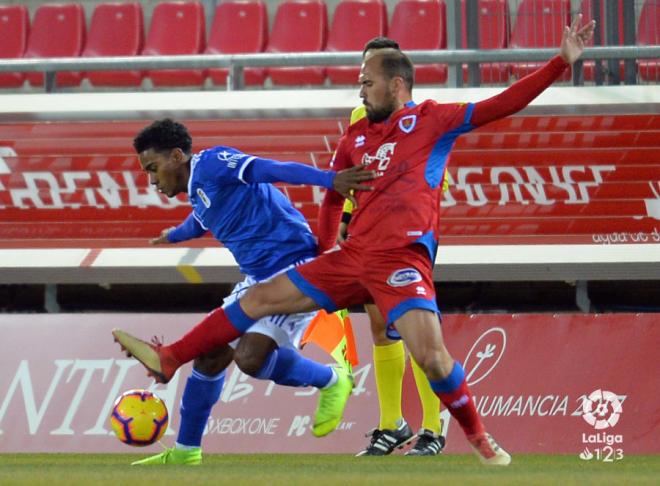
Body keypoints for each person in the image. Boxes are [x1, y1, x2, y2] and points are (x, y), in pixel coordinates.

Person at [113, 16, 595, 466]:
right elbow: (330, 200)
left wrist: (560, 62)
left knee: (430, 357)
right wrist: (323, 248)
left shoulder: (433, 119)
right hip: (349, 257)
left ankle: (476, 436)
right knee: (259, 297)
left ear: (396, 84)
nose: (359, 89)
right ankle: (172, 358)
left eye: (366, 81)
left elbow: (501, 104)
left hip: (399, 259)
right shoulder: (356, 136)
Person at [123, 119, 374, 465]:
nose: (152, 180)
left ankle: (332, 379)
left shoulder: (213, 164)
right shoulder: (200, 193)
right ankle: (186, 453)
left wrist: (331, 180)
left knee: (251, 359)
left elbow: (271, 169)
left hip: (293, 268)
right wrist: (174, 236)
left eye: (153, 169)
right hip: (256, 278)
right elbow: (199, 221)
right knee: (209, 357)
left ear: (177, 156)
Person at [335, 37, 448, 457]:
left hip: (408, 234)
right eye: (363, 72)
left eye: (372, 72)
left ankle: (434, 427)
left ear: (394, 78)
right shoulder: (359, 116)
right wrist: (347, 221)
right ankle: (391, 424)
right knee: (381, 325)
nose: (365, 81)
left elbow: (432, 180)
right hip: (367, 233)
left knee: (414, 325)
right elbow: (354, 178)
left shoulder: (426, 119)